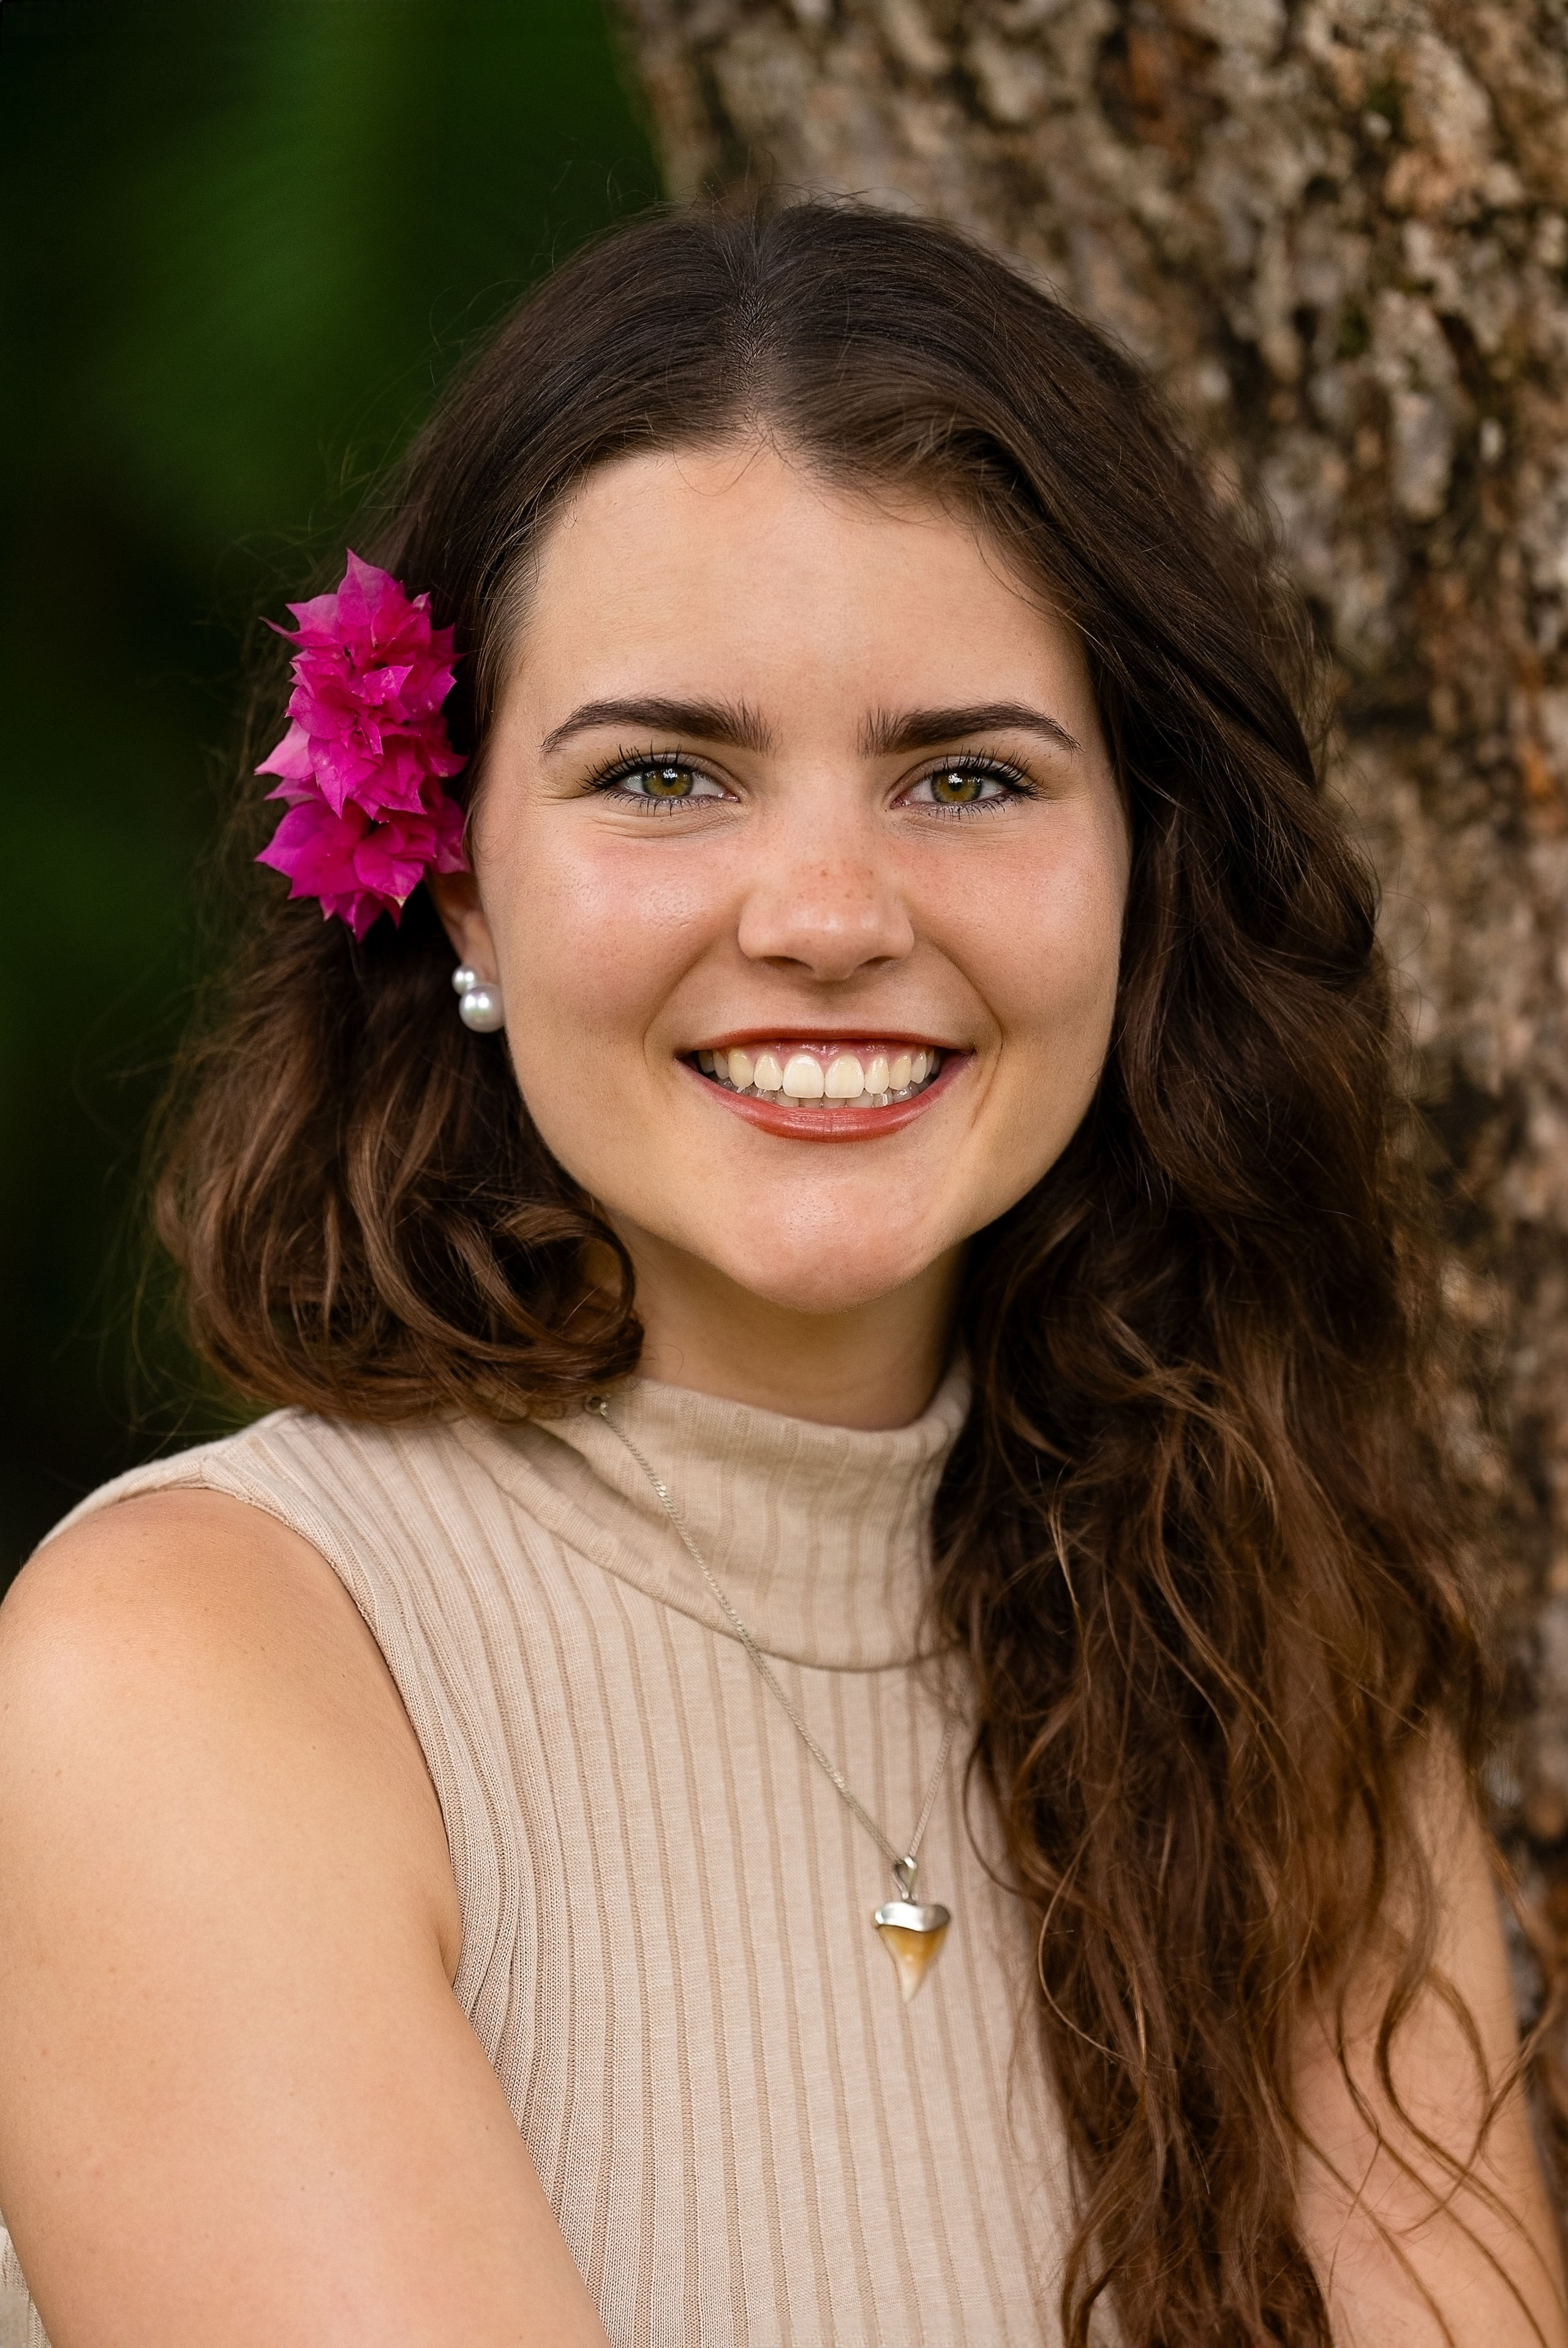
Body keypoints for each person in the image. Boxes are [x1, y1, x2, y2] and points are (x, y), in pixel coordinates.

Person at [0, 201, 1558, 2348]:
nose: (827, 910)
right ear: (455, 879)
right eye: (665, 773)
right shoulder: (194, 1674)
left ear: (1139, 866)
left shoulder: (1287, 1650)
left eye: (967, 776)